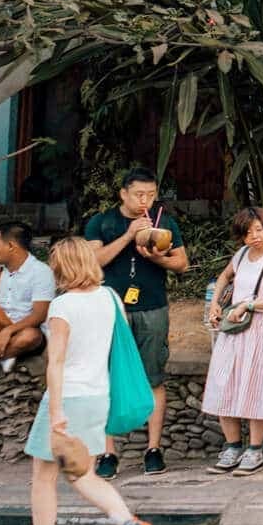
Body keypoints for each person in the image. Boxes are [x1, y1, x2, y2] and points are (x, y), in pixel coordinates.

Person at [1, 238, 155, 525]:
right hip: (98, 395)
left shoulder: (63, 306)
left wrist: (55, 411)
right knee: (81, 473)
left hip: (67, 397)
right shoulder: (111, 298)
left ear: (61, 268)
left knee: (43, 477)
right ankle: (129, 523)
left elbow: (56, 363)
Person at [84, 165, 187, 478]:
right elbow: (92, 262)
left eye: (151, 194)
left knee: (153, 376)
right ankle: (107, 452)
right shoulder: (102, 222)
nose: (146, 200)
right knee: (105, 377)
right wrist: (129, 235)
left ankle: (153, 449)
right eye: (140, 194)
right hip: (109, 308)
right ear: (123, 194)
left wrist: (155, 257)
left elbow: (182, 263)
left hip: (152, 306)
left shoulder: (163, 221)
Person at [201, 207, 263, 475]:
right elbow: (223, 277)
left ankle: (254, 450)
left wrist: (250, 304)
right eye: (248, 231)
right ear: (240, 235)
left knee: (256, 387)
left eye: (258, 229)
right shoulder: (241, 255)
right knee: (223, 383)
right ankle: (232, 447)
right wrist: (215, 305)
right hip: (235, 328)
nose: (254, 235)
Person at [0, 222, 53, 367]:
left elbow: (40, 315)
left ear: (11, 246)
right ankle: (2, 356)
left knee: (30, 336)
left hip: (22, 331)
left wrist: (8, 331)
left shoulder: (41, 272)